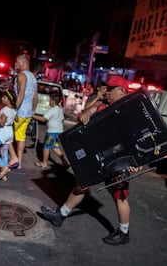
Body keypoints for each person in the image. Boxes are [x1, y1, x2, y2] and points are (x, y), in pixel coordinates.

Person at [39, 76, 142, 246]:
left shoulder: (132, 111)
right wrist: (87, 112)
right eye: (107, 88)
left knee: (120, 197)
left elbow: (137, 139)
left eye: (111, 89)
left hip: (120, 161)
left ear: (122, 90)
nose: (107, 92)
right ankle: (60, 215)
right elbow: (91, 111)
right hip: (101, 157)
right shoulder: (107, 107)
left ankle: (124, 233)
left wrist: (135, 163)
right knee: (82, 183)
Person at [8, 53, 38, 170]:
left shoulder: (21, 76)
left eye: (16, 62)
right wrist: (33, 111)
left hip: (19, 112)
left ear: (22, 63)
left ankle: (13, 158)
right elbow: (36, 97)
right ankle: (18, 162)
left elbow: (21, 94)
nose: (15, 64)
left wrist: (14, 110)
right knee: (20, 137)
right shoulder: (33, 77)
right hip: (28, 114)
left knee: (5, 134)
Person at [32, 92, 68, 168]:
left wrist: (33, 116)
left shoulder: (52, 110)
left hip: (51, 133)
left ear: (52, 101)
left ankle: (44, 163)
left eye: (49, 100)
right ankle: (64, 162)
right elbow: (62, 120)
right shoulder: (60, 109)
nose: (49, 102)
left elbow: (43, 119)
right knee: (55, 146)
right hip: (58, 132)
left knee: (46, 146)